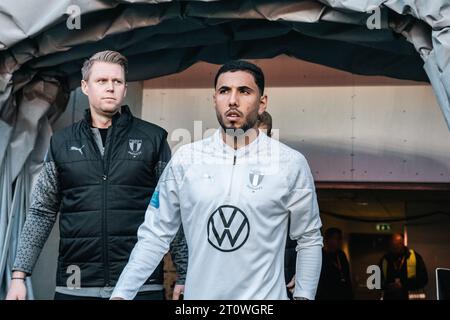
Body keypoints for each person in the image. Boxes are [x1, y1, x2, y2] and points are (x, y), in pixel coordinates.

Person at [111, 60, 323, 300]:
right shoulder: (186, 160)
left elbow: (309, 238)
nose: (233, 100)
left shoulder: (290, 163)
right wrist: (121, 295)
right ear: (215, 100)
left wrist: (304, 296)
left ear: (262, 102)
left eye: (244, 91)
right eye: (224, 91)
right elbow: (155, 235)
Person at [6, 50, 187, 300]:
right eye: (102, 81)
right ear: (85, 87)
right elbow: (41, 211)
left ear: (124, 89)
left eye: (117, 82)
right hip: (75, 285)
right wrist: (19, 275)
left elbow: (172, 209)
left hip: (139, 286)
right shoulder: (61, 142)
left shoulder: (153, 139)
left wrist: (184, 274)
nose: (110, 88)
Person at [256, 111, 297, 299]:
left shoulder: (286, 168)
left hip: (280, 279)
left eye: (263, 137)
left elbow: (307, 230)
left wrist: (301, 271)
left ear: (271, 136)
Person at [379, 233, 428, 300]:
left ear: (402, 244)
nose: (394, 249)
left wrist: (403, 285)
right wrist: (387, 286)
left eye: (396, 246)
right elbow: (377, 282)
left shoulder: (415, 257)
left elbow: (424, 279)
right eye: (392, 246)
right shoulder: (385, 260)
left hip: (410, 297)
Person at [315, 228, 353, 300]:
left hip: (342, 293)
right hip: (326, 294)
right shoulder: (321, 255)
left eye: (338, 239)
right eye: (334, 238)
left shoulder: (341, 255)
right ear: (327, 239)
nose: (337, 241)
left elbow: (347, 277)